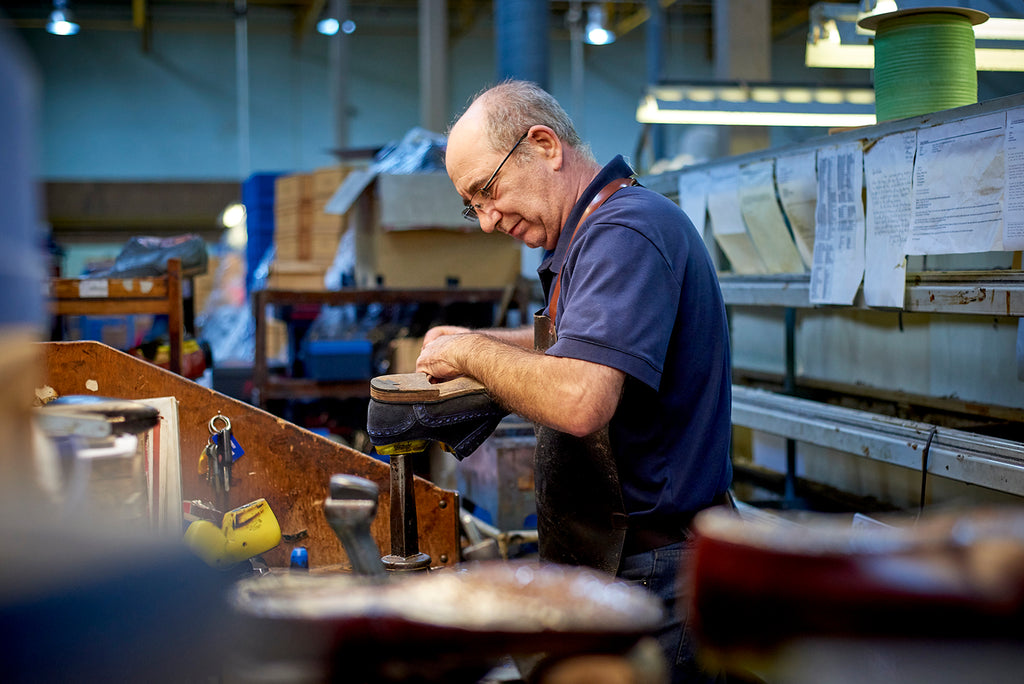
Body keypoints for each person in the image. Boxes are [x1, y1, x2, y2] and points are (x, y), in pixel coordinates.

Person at [416, 80, 733, 683]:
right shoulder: (593, 234)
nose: (486, 221)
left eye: (487, 191)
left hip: (656, 576)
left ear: (543, 145)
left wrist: (473, 353)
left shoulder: (624, 233)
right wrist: (468, 344)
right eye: (472, 204)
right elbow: (577, 349)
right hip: (630, 565)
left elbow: (580, 396)